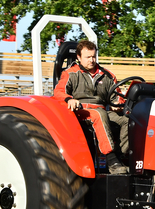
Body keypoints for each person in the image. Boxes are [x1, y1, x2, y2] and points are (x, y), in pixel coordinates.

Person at [53, 40, 129, 174]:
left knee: (127, 120)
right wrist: (69, 99)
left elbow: (116, 98)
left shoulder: (107, 76)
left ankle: (123, 156)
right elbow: (58, 92)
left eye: (93, 56)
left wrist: (118, 104)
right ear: (79, 57)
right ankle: (111, 160)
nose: (92, 60)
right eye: (88, 57)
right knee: (99, 114)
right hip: (80, 110)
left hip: (102, 109)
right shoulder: (70, 73)